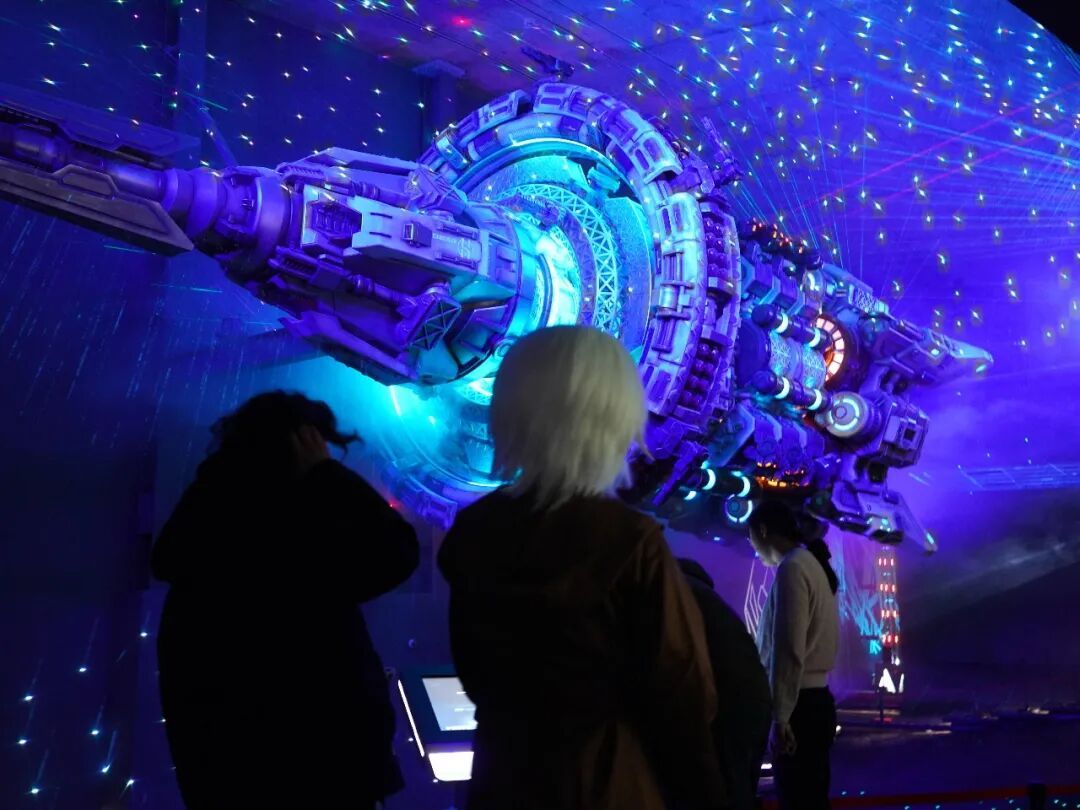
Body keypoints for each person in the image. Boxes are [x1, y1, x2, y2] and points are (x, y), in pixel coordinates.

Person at [438, 325, 726, 810]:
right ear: (611, 416)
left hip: (501, 780)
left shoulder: (474, 532)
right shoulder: (630, 541)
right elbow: (684, 699)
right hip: (608, 784)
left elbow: (476, 676)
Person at [151, 391, 419, 809]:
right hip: (325, 774)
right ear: (304, 443)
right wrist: (328, 475)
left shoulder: (202, 539)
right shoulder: (294, 542)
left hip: (225, 782)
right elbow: (397, 552)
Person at [748, 500, 840, 810]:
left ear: (762, 531)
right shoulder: (809, 564)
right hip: (816, 703)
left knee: (797, 800)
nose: (753, 548)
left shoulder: (792, 568)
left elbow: (788, 649)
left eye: (751, 538)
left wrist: (781, 717)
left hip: (800, 708)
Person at [677, 558, 772, 810]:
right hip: (758, 699)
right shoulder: (710, 599)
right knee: (740, 788)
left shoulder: (679, 595)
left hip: (730, 704)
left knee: (723, 791)